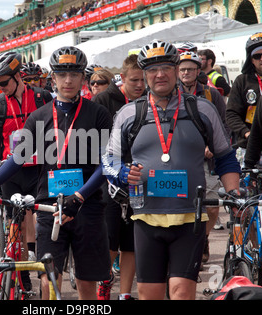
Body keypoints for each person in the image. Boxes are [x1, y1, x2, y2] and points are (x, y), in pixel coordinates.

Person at [102, 39, 240, 300]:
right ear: (144, 75)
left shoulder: (201, 109)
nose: (160, 74)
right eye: (152, 69)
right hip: (145, 218)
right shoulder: (129, 113)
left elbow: (225, 156)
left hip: (190, 218)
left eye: (166, 67)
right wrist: (121, 174)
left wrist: (234, 193)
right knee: (148, 293)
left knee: (181, 291)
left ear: (177, 70)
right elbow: (109, 160)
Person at [0, 46, 112, 300]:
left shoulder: (98, 114)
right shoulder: (38, 116)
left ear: (83, 78)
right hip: (48, 207)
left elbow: (107, 164)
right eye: (62, 74)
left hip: (86, 205)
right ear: (52, 78)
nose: (68, 81)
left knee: (86, 282)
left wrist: (79, 196)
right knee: (48, 279)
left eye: (75, 74)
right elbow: (18, 159)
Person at [0, 51, 53, 291]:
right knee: (18, 225)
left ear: (18, 76)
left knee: (39, 219)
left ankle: (43, 263)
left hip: (39, 169)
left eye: (4, 82)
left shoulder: (42, 97)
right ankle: (23, 273)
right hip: (11, 171)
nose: (0, 87)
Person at [92, 53, 145, 300]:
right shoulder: (103, 100)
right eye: (134, 80)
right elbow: (95, 146)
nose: (140, 85)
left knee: (131, 242)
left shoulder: (150, 99)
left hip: (139, 177)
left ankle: (125, 294)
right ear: (121, 78)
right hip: (109, 178)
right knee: (111, 239)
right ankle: (104, 281)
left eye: (143, 80)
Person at [177, 51, 229, 262]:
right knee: (183, 204)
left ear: (199, 70)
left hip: (207, 160)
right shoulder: (170, 95)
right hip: (179, 160)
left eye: (190, 68)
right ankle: (186, 245)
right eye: (182, 69)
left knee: (212, 206)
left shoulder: (211, 94)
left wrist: (213, 146)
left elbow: (224, 126)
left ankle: (203, 237)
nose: (186, 73)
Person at [226, 32, 262, 166]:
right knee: (248, 186)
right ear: (251, 59)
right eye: (257, 56)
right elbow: (231, 114)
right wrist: (247, 133)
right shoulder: (241, 81)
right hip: (249, 147)